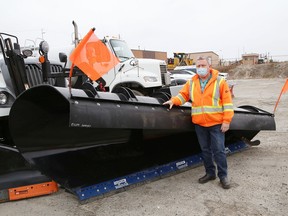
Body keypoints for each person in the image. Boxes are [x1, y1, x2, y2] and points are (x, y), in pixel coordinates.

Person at [163, 56, 234, 189]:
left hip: (216, 123)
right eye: (198, 66)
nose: (200, 68)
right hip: (200, 124)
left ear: (209, 67)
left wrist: (226, 121)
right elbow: (183, 95)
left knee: (219, 151)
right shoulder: (192, 82)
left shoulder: (220, 81)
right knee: (205, 150)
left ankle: (223, 176)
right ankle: (210, 173)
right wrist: (173, 101)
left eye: (203, 65)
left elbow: (228, 103)